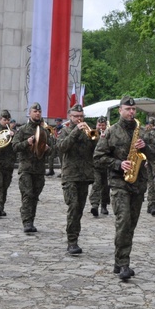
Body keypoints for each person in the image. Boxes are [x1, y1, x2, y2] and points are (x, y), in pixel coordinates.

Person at [94, 96, 155, 280]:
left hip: (138, 184)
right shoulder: (111, 132)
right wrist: (118, 163)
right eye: (127, 109)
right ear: (120, 111)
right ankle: (124, 264)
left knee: (131, 224)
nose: (131, 112)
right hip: (119, 183)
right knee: (123, 222)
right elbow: (98, 158)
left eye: (133, 109)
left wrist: (145, 148)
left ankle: (118, 259)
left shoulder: (143, 133)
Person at [57, 104, 97, 254]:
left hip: (85, 176)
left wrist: (96, 137)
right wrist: (75, 131)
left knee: (79, 209)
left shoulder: (88, 131)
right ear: (70, 117)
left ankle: (75, 237)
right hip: (70, 176)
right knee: (73, 207)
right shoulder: (65, 131)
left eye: (81, 116)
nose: (79, 119)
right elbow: (62, 147)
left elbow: (97, 147)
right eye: (75, 116)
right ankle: (72, 241)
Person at [11, 102, 55, 233]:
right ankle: (27, 221)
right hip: (26, 168)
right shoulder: (23, 130)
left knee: (35, 195)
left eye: (39, 112)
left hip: (39, 169)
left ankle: (31, 219)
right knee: (28, 194)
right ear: (29, 113)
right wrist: (27, 142)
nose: (37, 113)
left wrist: (47, 149)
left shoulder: (44, 132)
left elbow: (53, 150)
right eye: (35, 111)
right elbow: (14, 146)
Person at [89, 116, 110, 216]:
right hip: (95, 164)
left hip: (107, 165)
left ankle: (104, 205)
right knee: (96, 184)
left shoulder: (109, 134)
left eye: (103, 125)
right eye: (99, 125)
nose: (101, 127)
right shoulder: (93, 133)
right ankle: (94, 205)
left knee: (106, 186)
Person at [144, 117, 155, 216]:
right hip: (153, 161)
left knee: (152, 183)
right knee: (154, 183)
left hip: (151, 160)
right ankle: (152, 205)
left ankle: (151, 205)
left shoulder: (149, 133)